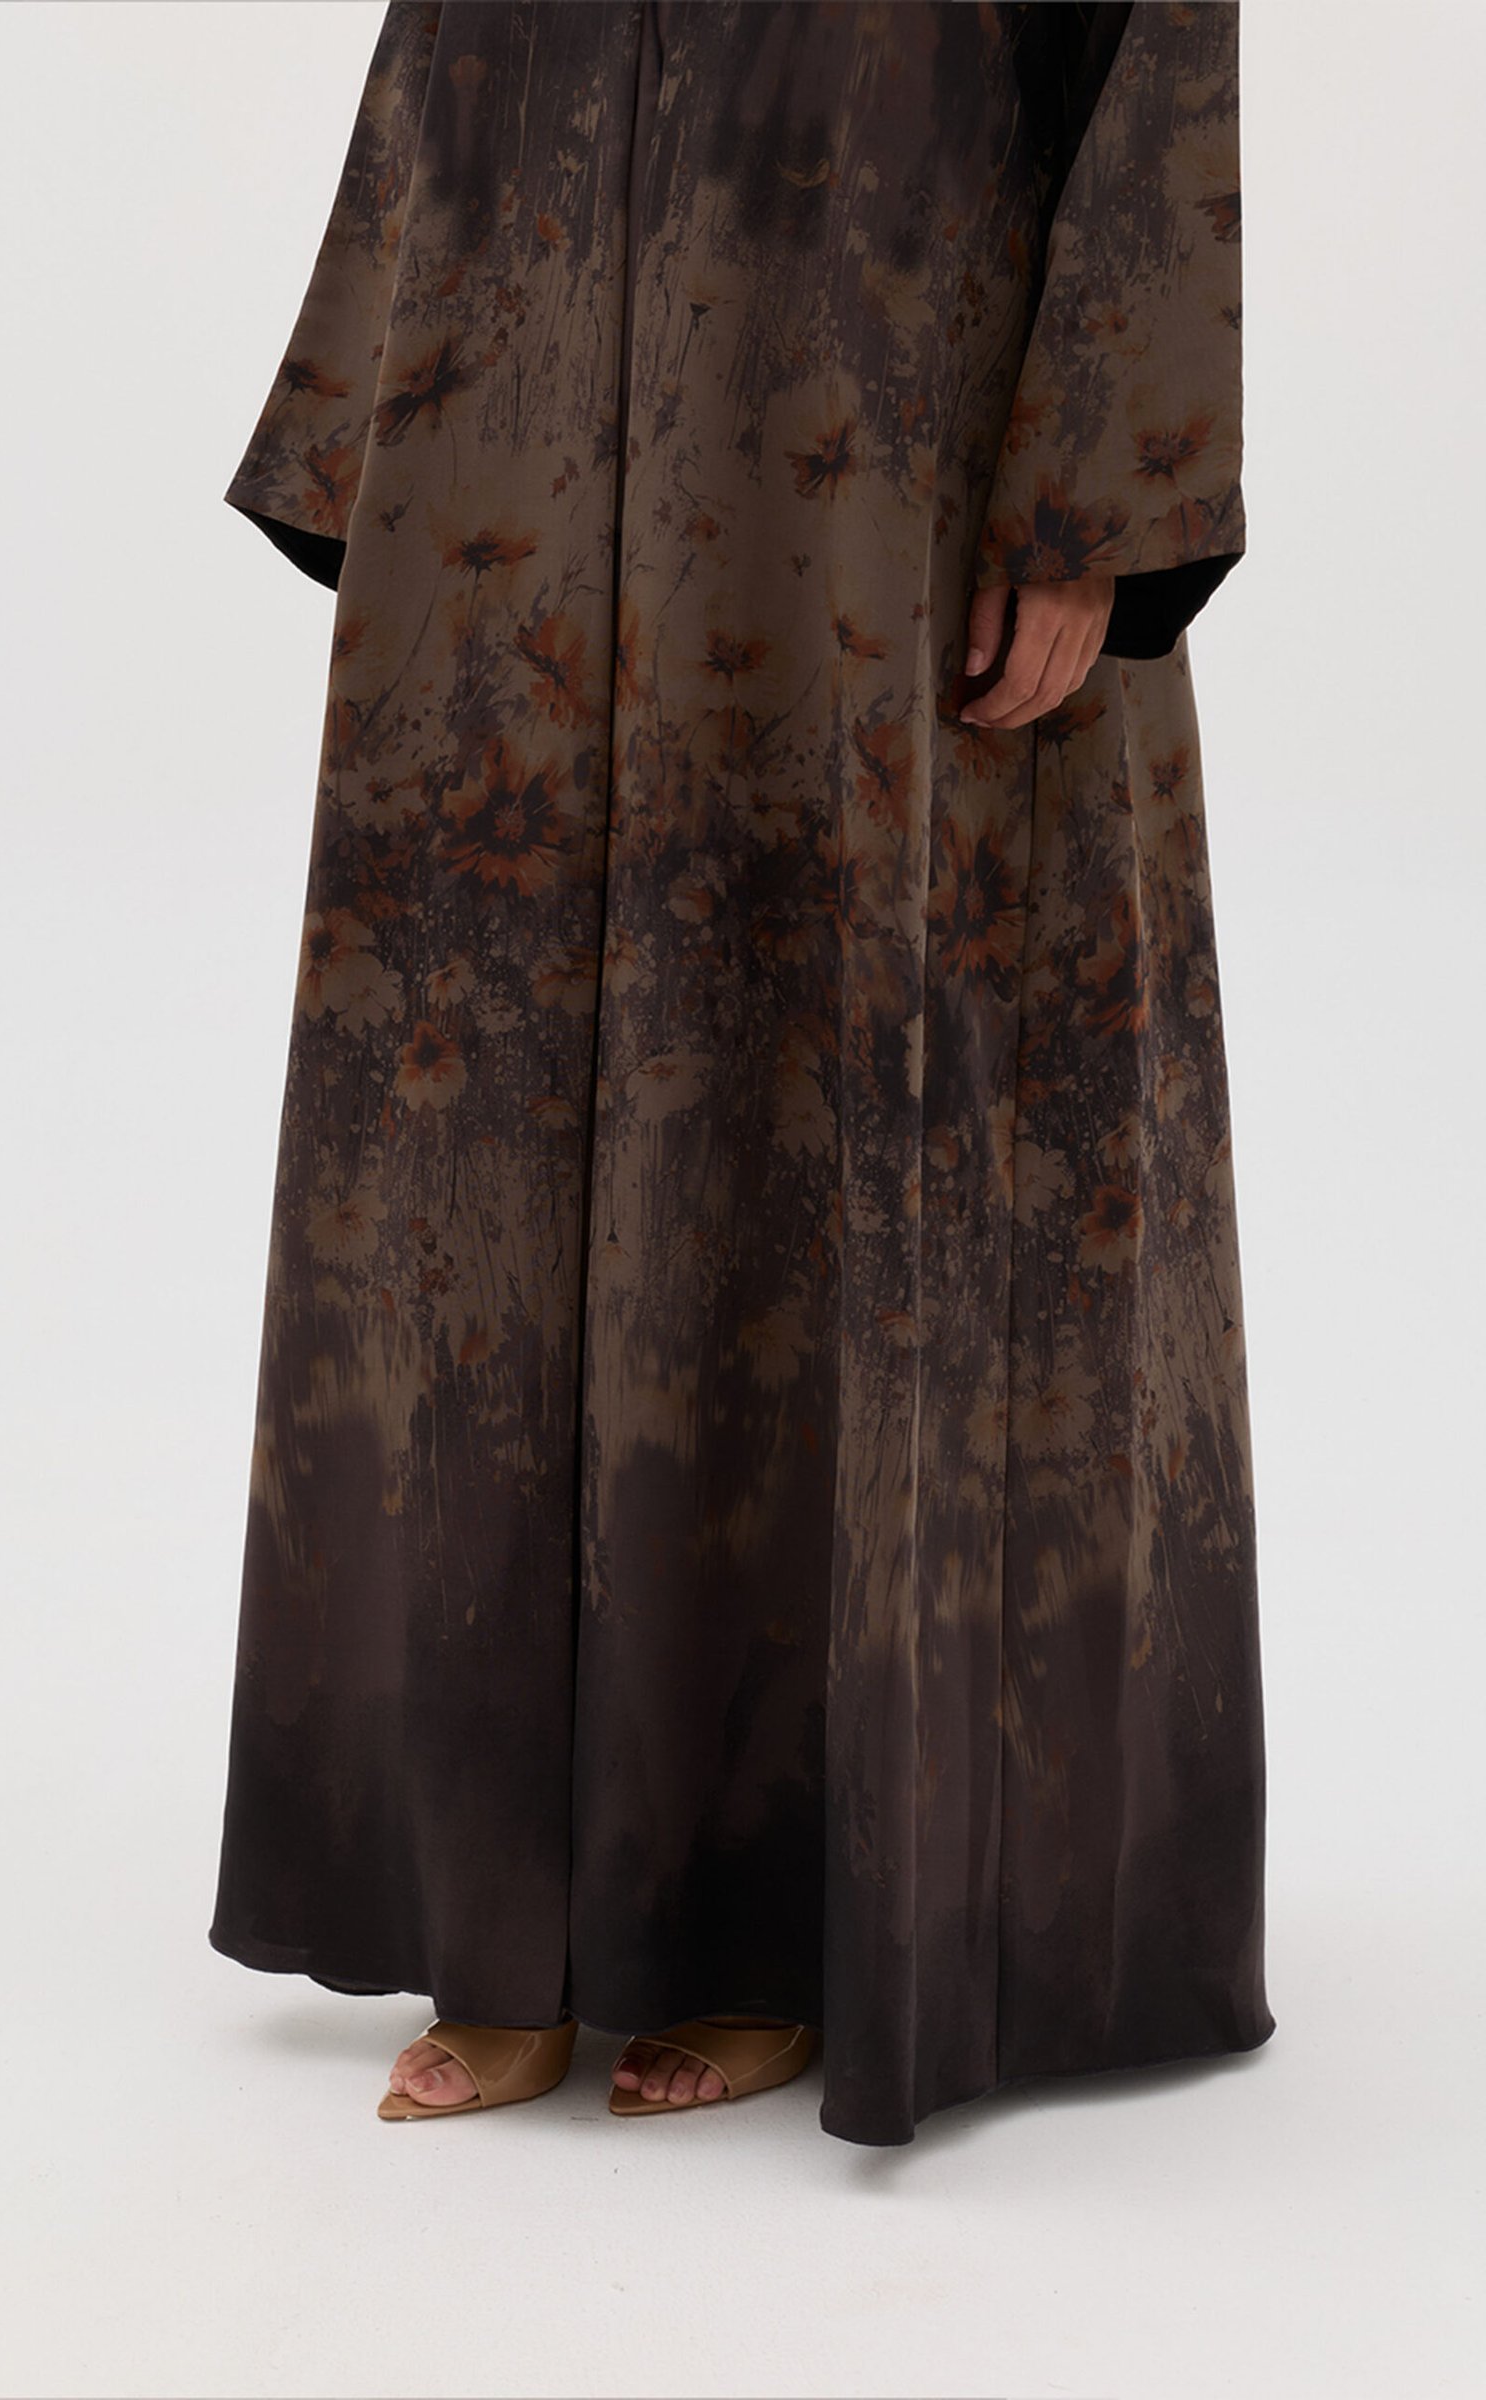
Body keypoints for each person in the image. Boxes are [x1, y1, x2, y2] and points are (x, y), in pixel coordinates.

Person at [210, 0, 1275, 2147]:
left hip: (870, 443)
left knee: (803, 1136)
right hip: (517, 398)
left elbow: (1161, 38)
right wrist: (373, 397)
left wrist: (1096, 489)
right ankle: (505, 1914)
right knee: (480, 1160)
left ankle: (773, 1912)